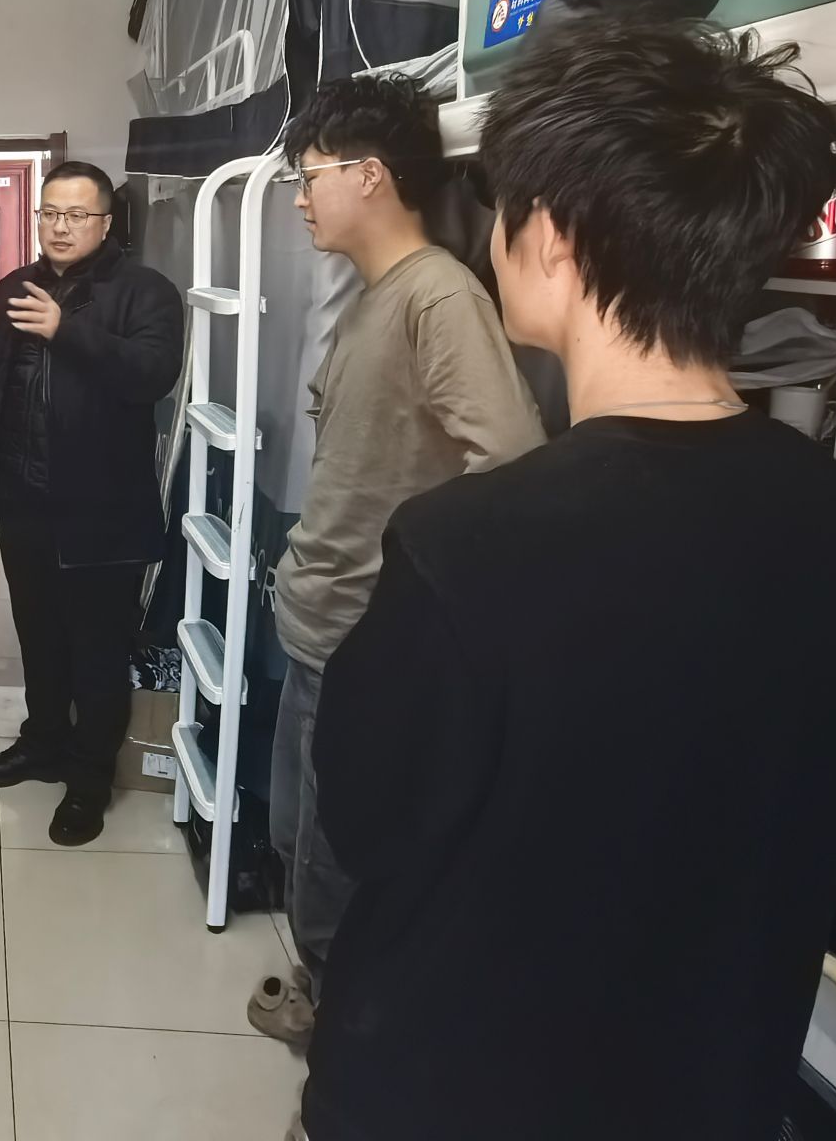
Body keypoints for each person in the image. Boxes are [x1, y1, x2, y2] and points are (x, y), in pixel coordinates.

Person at [300, 20, 836, 1141]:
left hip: (458, 1085)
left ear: (554, 240)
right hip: (711, 1079)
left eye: (503, 211)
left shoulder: (464, 544)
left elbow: (367, 822)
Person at [249, 74, 544, 1044]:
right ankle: (328, 1009)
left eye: (311, 177)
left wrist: (413, 601)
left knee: (339, 865)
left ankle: (344, 1058)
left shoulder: (439, 297)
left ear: (370, 174)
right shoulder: (375, 298)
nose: (301, 199)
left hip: (366, 638)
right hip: (319, 621)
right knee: (298, 840)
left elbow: (507, 464)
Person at [0, 161, 184, 846]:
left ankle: (89, 778)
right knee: (39, 636)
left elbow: (152, 374)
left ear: (106, 223)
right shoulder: (16, 285)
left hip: (100, 511)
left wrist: (65, 330)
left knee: (97, 650)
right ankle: (43, 742)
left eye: (76, 215)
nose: (59, 226)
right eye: (49, 213)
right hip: (23, 499)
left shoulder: (144, 290)